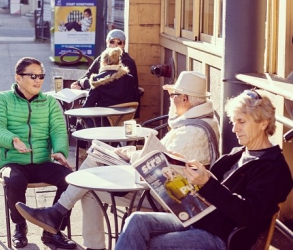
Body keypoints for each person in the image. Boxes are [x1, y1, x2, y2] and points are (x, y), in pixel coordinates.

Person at [15, 71, 220, 250]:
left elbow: (161, 167)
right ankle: (70, 224)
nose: (171, 100)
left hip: (165, 198)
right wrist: (131, 152)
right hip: (162, 190)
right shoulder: (199, 123)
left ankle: (59, 214)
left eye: (174, 95)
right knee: (91, 179)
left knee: (93, 165)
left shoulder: (191, 131)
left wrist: (131, 155)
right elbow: (167, 159)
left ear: (184, 99)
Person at [114, 89, 293, 250]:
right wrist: (181, 166)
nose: (234, 128)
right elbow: (214, 186)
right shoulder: (239, 154)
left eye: (241, 122)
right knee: (136, 221)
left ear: (263, 123)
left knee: (150, 244)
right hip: (200, 219)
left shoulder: (272, 167)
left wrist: (207, 183)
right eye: (233, 121)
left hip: (222, 237)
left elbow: (248, 214)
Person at [0, 57, 77, 249]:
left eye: (41, 76)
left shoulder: (50, 102)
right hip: (13, 161)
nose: (38, 80)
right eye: (33, 76)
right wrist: (13, 140)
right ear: (18, 78)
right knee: (13, 180)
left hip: (41, 161)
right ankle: (20, 226)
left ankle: (53, 229)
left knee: (72, 180)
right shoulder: (2, 99)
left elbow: (58, 130)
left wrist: (60, 151)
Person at [82, 47, 140, 127]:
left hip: (102, 124)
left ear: (103, 62)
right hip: (124, 123)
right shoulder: (129, 78)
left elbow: (87, 106)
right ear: (119, 61)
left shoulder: (97, 80)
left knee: (82, 120)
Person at [71, 29, 139, 91]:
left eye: (119, 42)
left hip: (120, 101)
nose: (115, 45)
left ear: (123, 44)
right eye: (112, 42)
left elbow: (112, 84)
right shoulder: (101, 58)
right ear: (107, 43)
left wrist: (85, 83)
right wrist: (77, 83)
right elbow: (88, 75)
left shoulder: (127, 62)